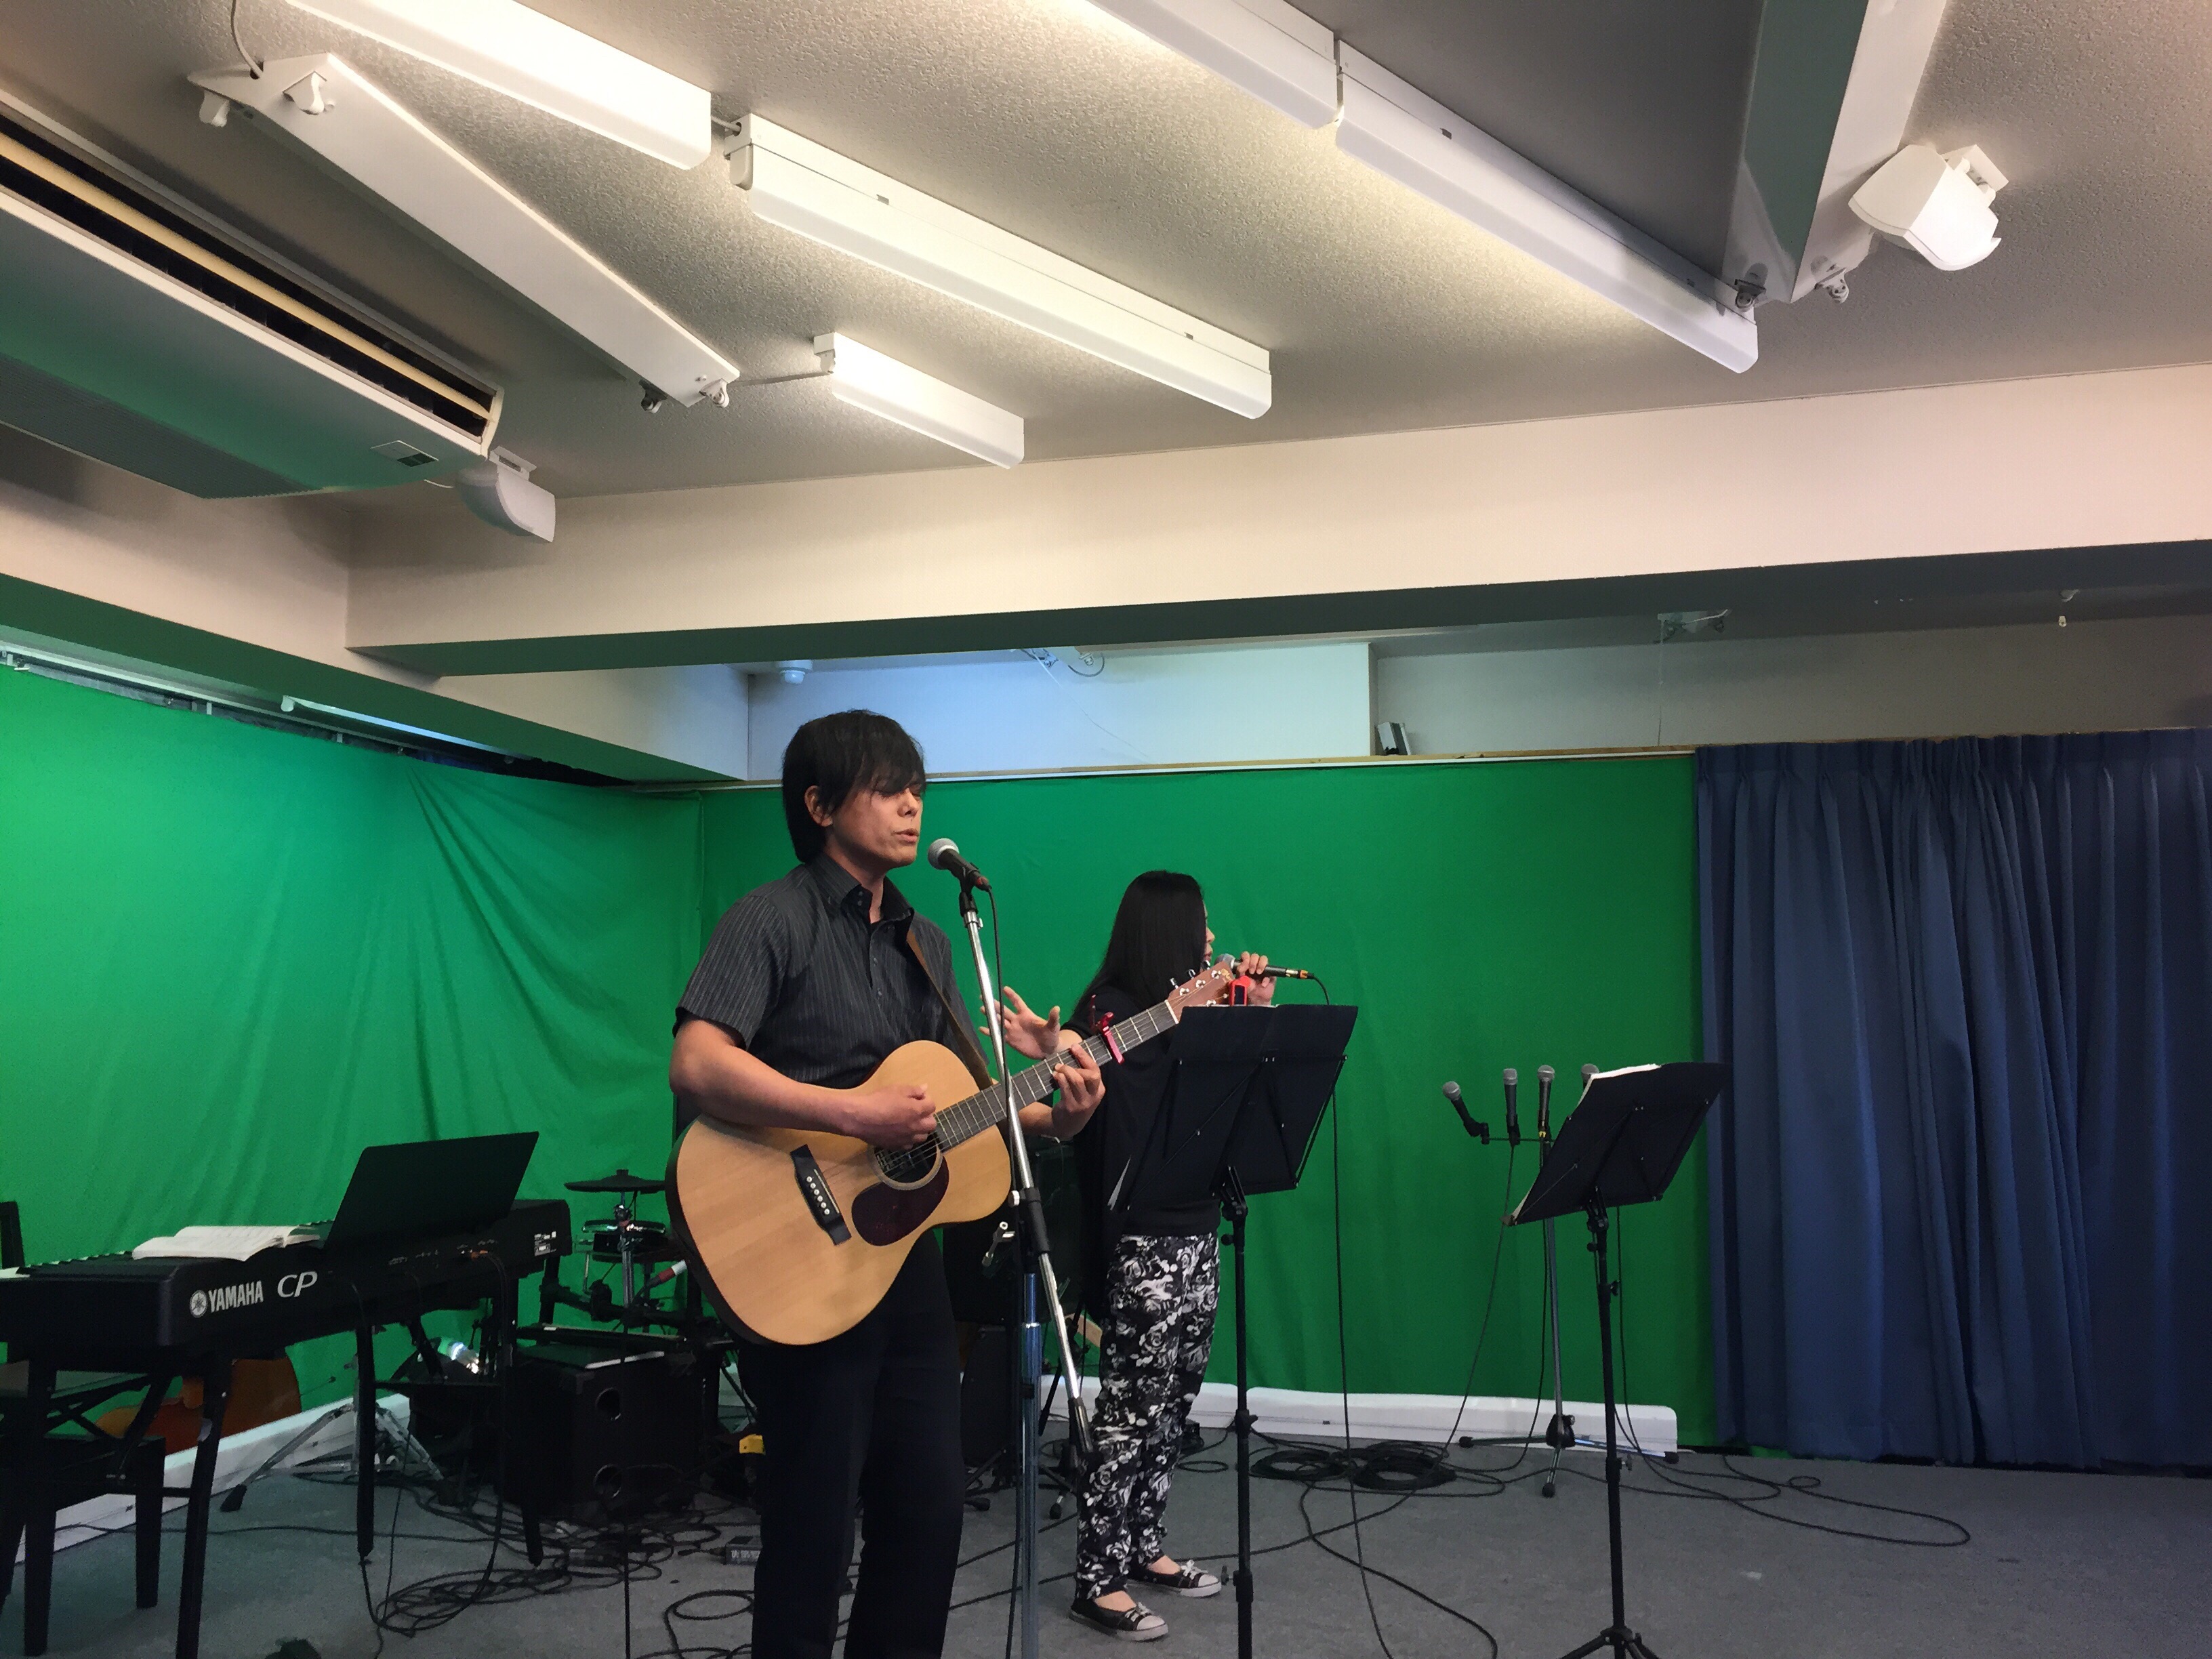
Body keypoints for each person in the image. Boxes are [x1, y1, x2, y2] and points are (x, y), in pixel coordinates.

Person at [668, 710, 1105, 1659]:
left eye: (917, 788)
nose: (912, 806)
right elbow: (697, 1064)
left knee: (929, 1512)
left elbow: (966, 1110)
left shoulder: (929, 943)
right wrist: (853, 1116)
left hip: (904, 1273)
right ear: (820, 805)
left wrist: (1061, 1113)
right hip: (799, 1263)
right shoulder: (770, 919)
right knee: (814, 1528)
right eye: (886, 788)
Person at [1000, 871, 1269, 1642]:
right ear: (1168, 931)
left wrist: (1251, 1010)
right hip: (1141, 1240)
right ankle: (1097, 1578)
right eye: (1202, 924)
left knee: (1174, 1404)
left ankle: (1145, 1546)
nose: (1211, 938)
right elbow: (1097, 1056)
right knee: (1129, 1413)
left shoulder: (1191, 1011)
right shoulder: (1113, 1009)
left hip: (1197, 1227)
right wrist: (1055, 1046)